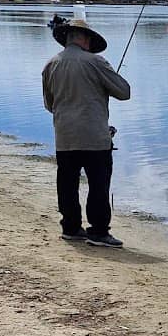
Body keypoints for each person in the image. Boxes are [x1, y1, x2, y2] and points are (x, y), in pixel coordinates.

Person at [42, 14, 131, 247]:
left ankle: (70, 227)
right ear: (84, 39)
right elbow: (124, 91)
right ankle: (99, 231)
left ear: (67, 39)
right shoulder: (96, 62)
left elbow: (49, 104)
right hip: (94, 137)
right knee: (98, 185)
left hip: (64, 136)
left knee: (67, 184)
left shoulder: (51, 64)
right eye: (89, 41)